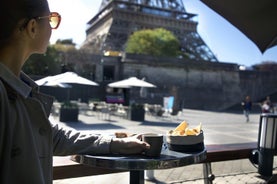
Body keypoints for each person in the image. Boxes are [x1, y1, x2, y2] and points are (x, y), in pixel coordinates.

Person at [0, 0, 149, 183]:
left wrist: (113, 143)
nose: (54, 27)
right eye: (51, 18)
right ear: (32, 27)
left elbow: (54, 137)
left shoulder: (18, 88)